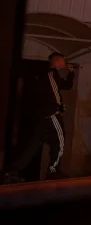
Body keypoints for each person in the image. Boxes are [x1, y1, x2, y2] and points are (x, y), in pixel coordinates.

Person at [3, 52, 75, 182]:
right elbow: (55, 94)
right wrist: (58, 109)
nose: (64, 63)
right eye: (63, 61)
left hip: (42, 117)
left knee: (32, 146)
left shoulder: (49, 76)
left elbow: (66, 86)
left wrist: (71, 73)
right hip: (50, 115)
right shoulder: (51, 74)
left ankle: (12, 171)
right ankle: (53, 171)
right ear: (57, 61)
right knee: (59, 140)